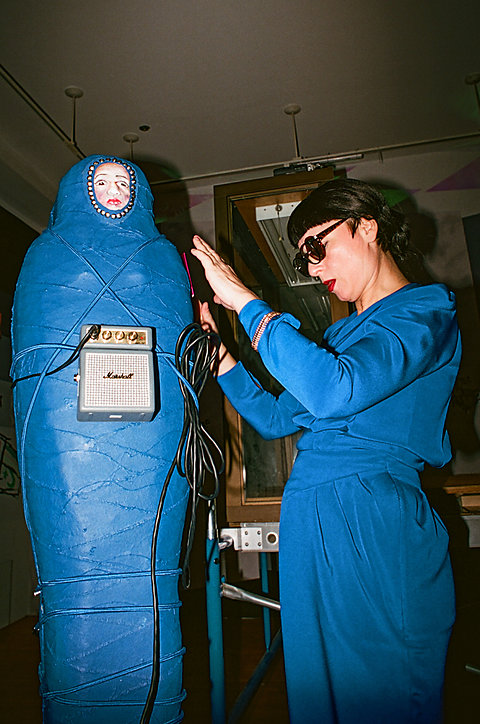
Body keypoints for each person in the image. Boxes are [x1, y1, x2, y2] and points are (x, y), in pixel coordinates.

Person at [191, 178, 461, 724]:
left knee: (383, 694)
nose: (312, 268)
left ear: (367, 226)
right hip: (311, 516)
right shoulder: (341, 340)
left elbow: (335, 389)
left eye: (317, 245)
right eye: (303, 258)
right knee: (318, 696)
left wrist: (246, 300)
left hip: (373, 521)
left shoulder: (426, 312)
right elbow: (272, 418)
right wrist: (221, 354)